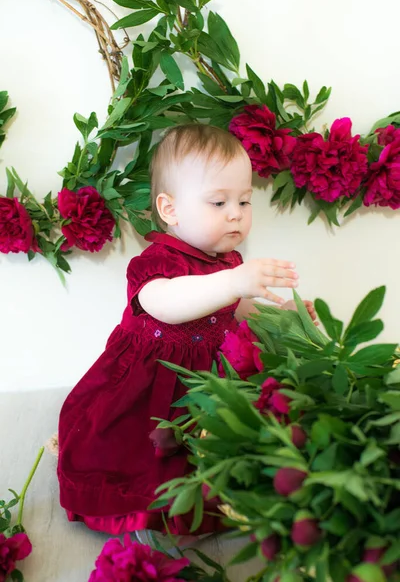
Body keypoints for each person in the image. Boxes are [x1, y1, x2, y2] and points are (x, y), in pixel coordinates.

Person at [57, 124, 316, 537]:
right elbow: (170, 304)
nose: (236, 213)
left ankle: (216, 498)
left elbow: (232, 308)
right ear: (170, 209)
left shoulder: (227, 261)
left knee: (212, 444)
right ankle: (144, 508)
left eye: (245, 200)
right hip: (152, 383)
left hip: (204, 378)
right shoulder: (156, 263)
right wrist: (233, 283)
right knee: (137, 455)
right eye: (219, 201)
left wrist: (280, 314)